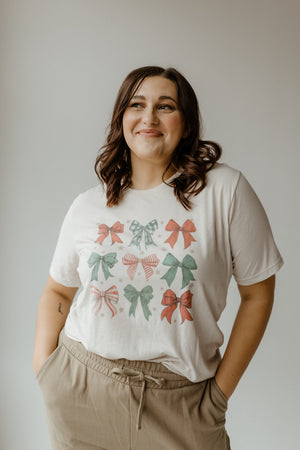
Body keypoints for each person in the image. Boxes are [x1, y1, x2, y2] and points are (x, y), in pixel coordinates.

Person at [33, 66, 283, 450]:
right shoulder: (88, 205)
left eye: (165, 106)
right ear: (122, 119)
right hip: (81, 392)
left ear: (185, 123)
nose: (149, 117)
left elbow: (258, 295)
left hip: (182, 403)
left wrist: (217, 397)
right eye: (137, 104)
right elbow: (58, 291)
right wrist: (46, 372)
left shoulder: (224, 191)